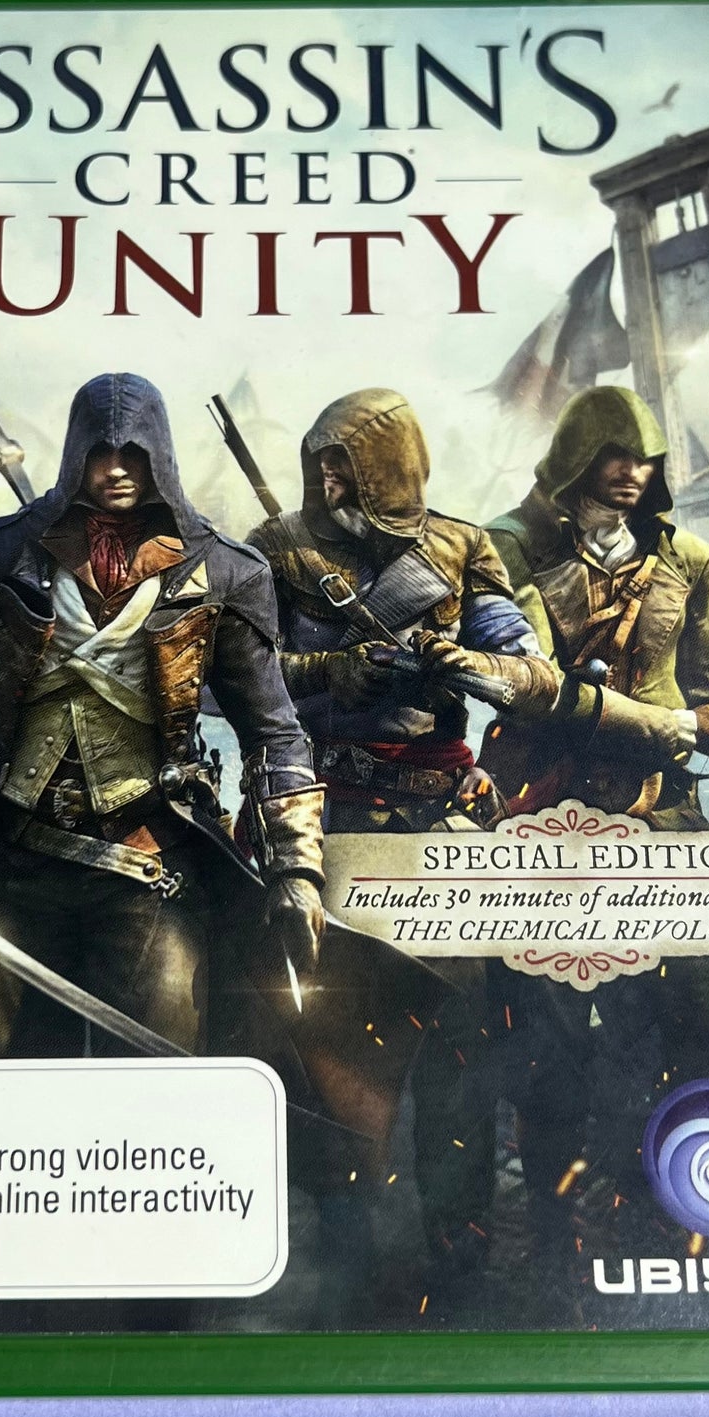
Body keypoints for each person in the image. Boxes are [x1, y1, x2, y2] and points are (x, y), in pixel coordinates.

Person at [0, 372, 329, 1062]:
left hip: (151, 869)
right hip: (10, 864)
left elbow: (273, 732)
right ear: (77, 454)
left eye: (134, 452)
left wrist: (296, 870)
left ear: (159, 454)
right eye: (101, 452)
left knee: (160, 1076)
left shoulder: (226, 572)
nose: (116, 469)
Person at [481, 385, 709, 1258]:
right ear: (576, 458)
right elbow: (535, 692)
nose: (632, 472)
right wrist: (681, 726)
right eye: (614, 456)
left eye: (645, 460)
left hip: (662, 818)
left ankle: (708, 1218)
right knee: (551, 1051)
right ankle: (554, 1245)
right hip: (547, 822)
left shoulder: (688, 558)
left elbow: (707, 697)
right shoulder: (508, 547)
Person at [246, 387, 560, 1291]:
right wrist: (331, 672)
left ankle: (460, 1258)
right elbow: (242, 674)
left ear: (387, 465)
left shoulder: (461, 546)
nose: (328, 480)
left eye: (345, 464)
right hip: (324, 820)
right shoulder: (277, 549)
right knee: (326, 1050)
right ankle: (342, 1261)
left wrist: (471, 665)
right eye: (321, 464)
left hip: (436, 825)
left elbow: (533, 672)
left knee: (462, 1046)